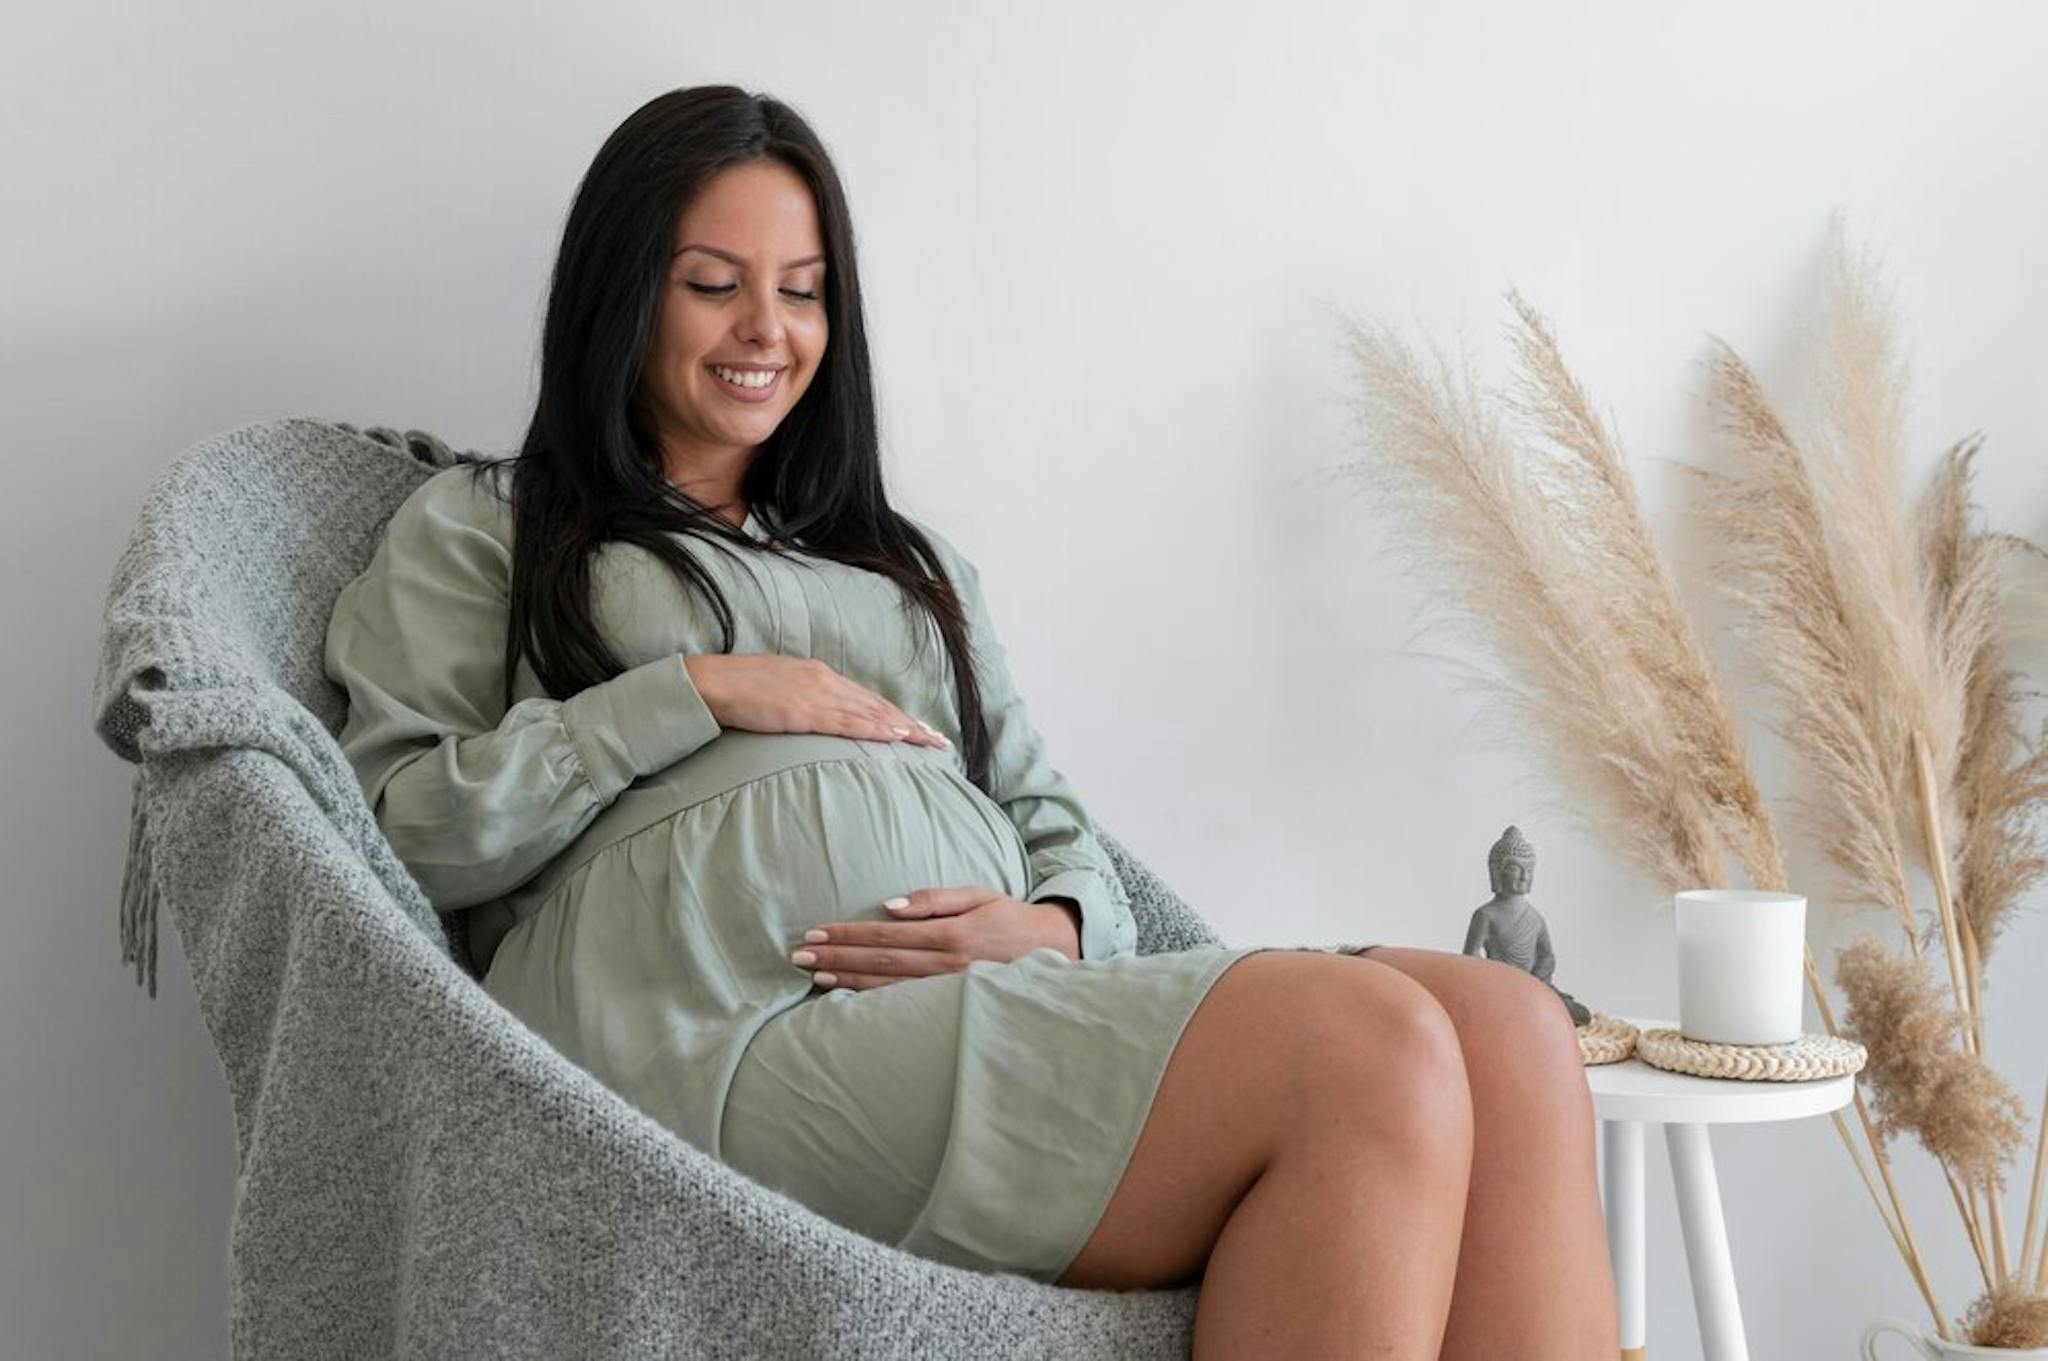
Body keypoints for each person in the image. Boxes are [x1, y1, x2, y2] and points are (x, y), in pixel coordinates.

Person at [321, 85, 1617, 1359]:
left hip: (975, 1010)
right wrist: (693, 693)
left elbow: (1056, 825)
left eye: (805, 287)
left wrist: (1049, 925)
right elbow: (407, 837)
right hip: (713, 1040)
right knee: (1363, 1046)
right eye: (714, 282)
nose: (766, 327)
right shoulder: (494, 527)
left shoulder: (905, 565)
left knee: (1505, 1027)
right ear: (622, 293)